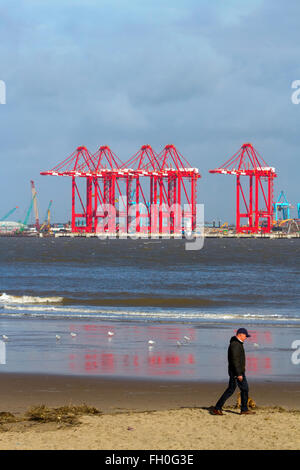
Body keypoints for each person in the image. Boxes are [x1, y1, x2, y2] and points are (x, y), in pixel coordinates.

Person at [212, 328, 256, 415]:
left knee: (233, 389)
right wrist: (239, 373)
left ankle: (218, 408)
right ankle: (243, 409)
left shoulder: (238, 343)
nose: (246, 338)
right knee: (243, 389)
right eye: (245, 336)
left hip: (237, 371)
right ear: (240, 334)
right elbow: (234, 360)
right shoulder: (235, 344)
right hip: (237, 372)